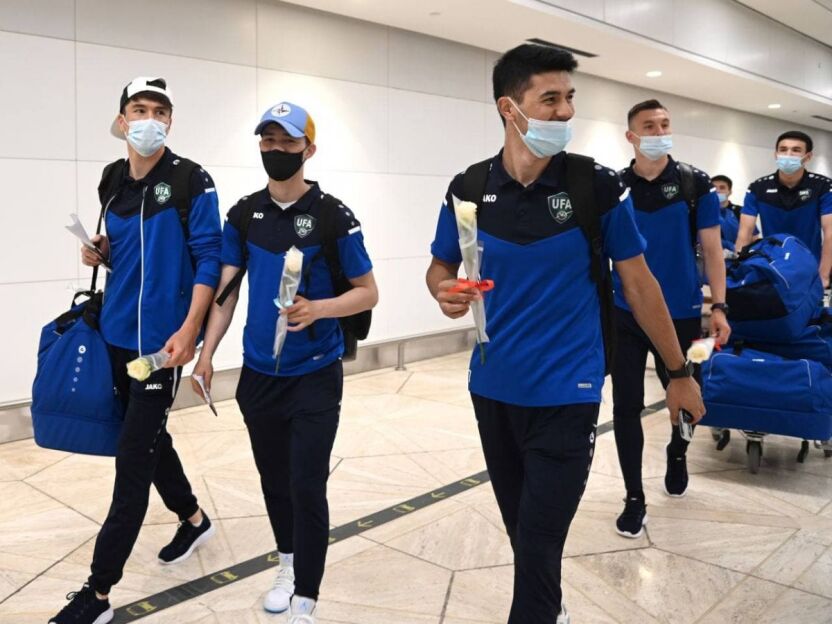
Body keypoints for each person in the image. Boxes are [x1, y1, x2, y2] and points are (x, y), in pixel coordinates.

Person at [426, 44, 705, 624]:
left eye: (569, 98)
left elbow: (640, 285)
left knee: (538, 537)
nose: (565, 112)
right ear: (509, 108)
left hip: (568, 391)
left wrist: (678, 372)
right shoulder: (469, 187)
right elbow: (441, 265)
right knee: (522, 531)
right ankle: (552, 608)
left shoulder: (593, 185)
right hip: (493, 386)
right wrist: (443, 290)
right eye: (549, 99)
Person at [192, 102, 378, 624]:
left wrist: (319, 308)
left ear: (308, 149)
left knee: (306, 485)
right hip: (259, 374)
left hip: (314, 374)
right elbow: (226, 292)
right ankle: (288, 565)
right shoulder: (243, 214)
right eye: (268, 141)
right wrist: (207, 355)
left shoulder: (333, 216)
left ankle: (306, 596)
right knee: (274, 480)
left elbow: (367, 292)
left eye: (288, 142)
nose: (276, 150)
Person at [50, 77, 222, 624]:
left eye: (160, 111)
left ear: (170, 121)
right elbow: (125, 249)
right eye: (139, 109)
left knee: (131, 463)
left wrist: (191, 331)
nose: (150, 119)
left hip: (163, 345)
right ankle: (194, 519)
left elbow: (209, 258)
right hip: (116, 337)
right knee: (147, 439)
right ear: (123, 120)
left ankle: (98, 593)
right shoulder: (112, 179)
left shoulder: (192, 179)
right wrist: (99, 250)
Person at [611, 100, 730, 540]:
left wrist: (719, 306)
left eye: (665, 124)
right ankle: (633, 497)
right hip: (624, 313)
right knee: (625, 405)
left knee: (687, 397)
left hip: (681, 314)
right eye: (649, 126)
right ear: (631, 136)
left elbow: (713, 250)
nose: (659, 132)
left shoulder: (694, 184)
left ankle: (677, 452)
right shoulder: (614, 187)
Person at [736, 131, 832, 285]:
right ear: (776, 154)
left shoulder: (823, 186)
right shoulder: (758, 187)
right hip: (770, 266)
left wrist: (824, 275)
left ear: (808, 157)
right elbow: (744, 233)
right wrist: (739, 271)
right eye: (783, 149)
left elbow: (830, 233)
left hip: (809, 268)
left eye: (796, 150)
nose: (788, 154)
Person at [711, 174, 743, 249]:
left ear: (730, 191)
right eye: (714, 188)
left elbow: (753, 237)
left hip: (739, 254)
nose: (717, 191)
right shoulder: (701, 212)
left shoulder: (740, 211)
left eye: (722, 188)